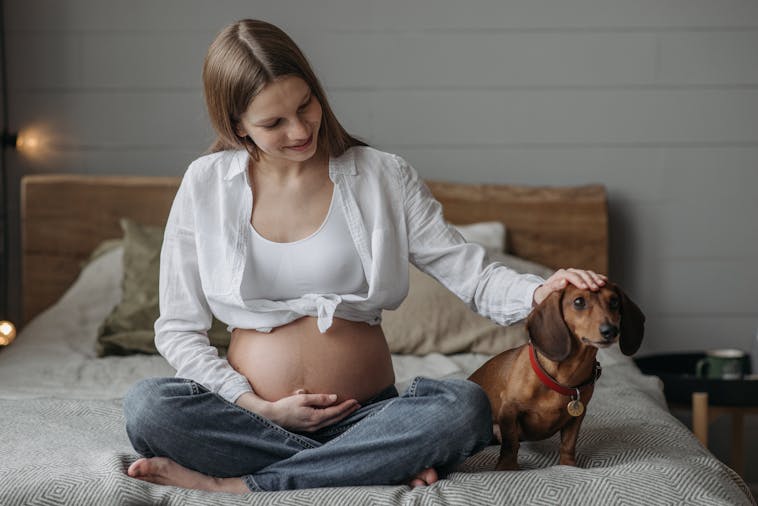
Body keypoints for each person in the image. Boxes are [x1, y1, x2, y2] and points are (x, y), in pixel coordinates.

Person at [122, 19, 607, 494]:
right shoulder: (206, 184)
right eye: (273, 122)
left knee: (463, 407)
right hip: (251, 419)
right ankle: (374, 463)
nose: (299, 129)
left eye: (305, 105)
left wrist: (539, 291)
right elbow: (178, 328)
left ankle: (241, 483)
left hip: (369, 417)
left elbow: (472, 276)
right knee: (148, 406)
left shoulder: (382, 175)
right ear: (237, 125)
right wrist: (259, 407)